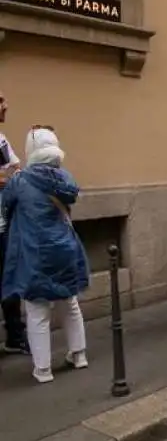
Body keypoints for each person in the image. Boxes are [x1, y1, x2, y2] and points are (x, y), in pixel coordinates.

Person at [2, 128, 89, 383]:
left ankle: (43, 369)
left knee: (37, 310)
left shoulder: (20, 180)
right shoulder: (64, 177)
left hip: (34, 251)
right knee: (69, 303)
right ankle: (79, 354)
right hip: (64, 248)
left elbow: (5, 206)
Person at [0, 90, 27, 354]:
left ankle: (15, 335)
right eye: (0, 101)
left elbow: (16, 169)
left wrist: (6, 175)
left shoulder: (1, 139)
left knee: (9, 277)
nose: (6, 105)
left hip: (4, 221)